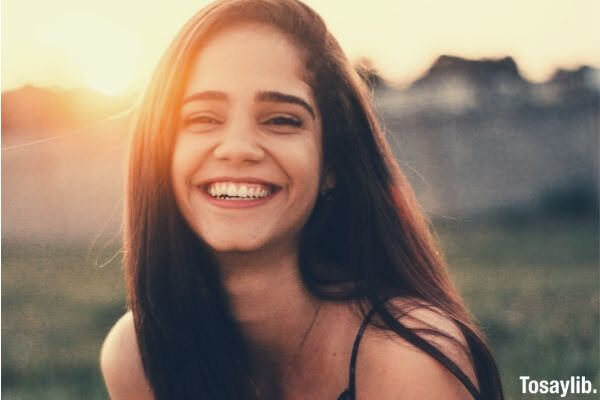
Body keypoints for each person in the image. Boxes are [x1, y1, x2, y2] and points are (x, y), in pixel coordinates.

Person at [100, 0, 504, 399]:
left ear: (331, 163)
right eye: (203, 118)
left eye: (281, 120)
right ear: (160, 153)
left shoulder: (410, 363)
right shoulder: (136, 356)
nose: (238, 148)